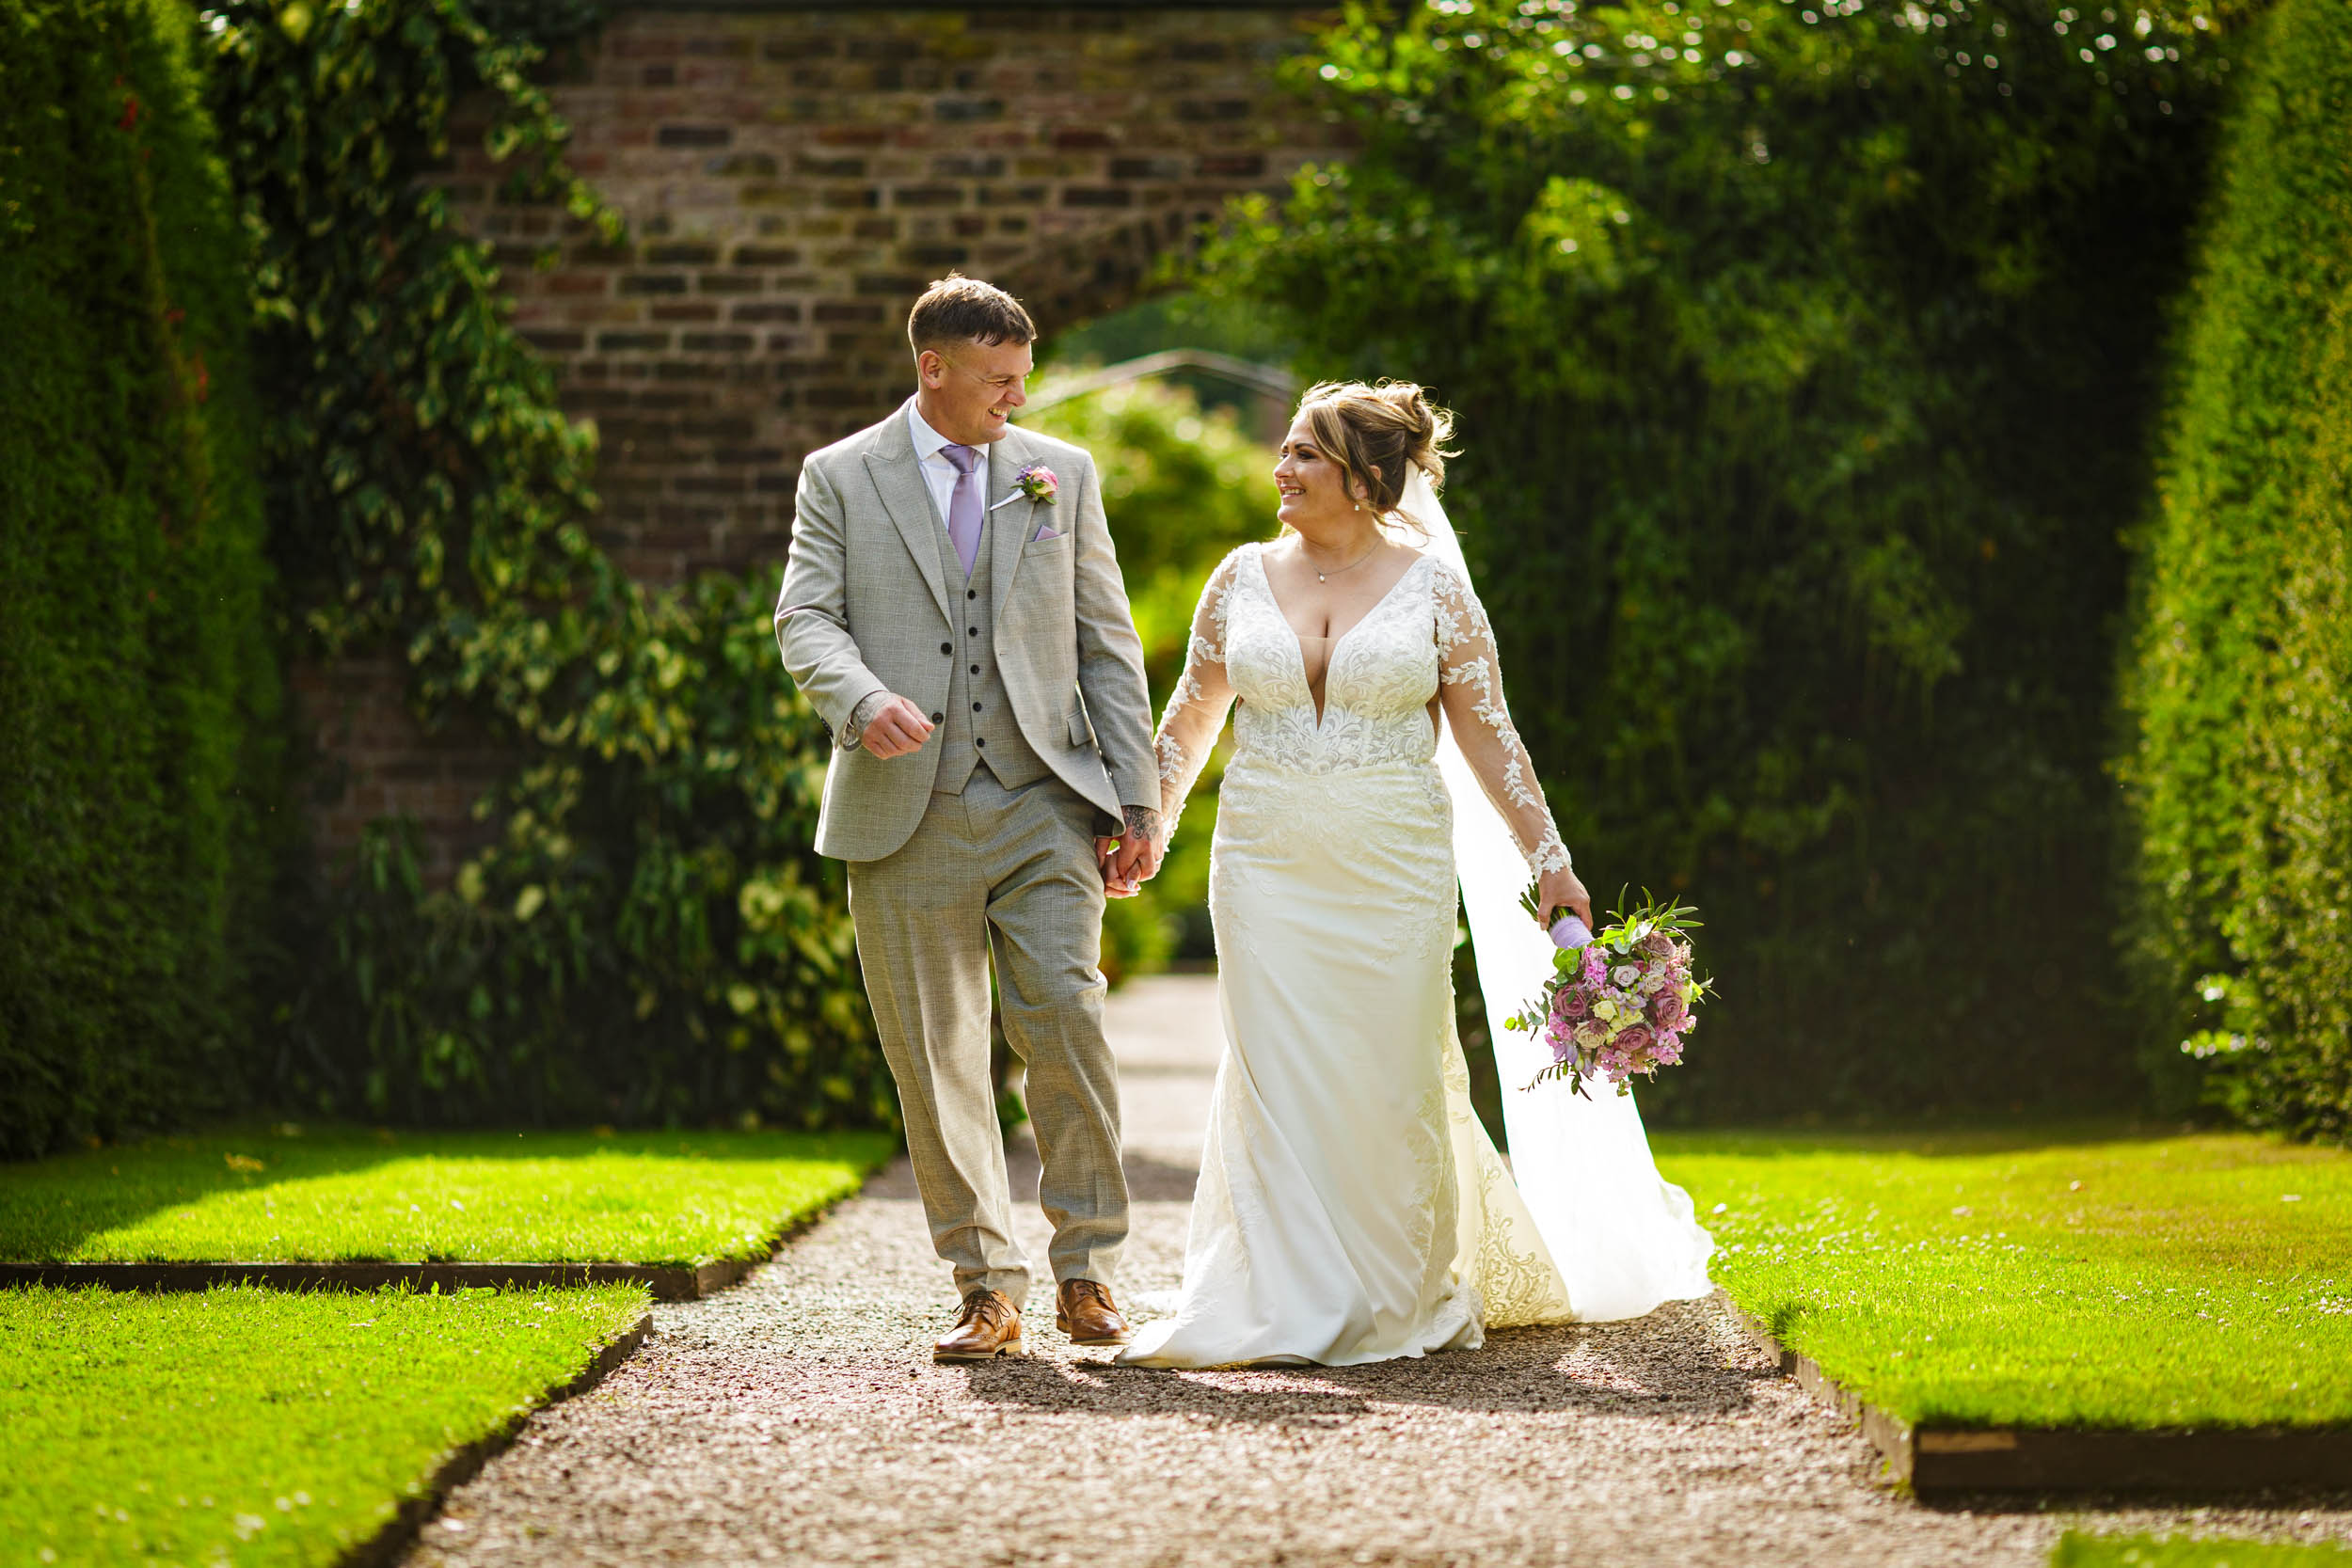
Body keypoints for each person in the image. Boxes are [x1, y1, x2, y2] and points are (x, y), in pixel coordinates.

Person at [1120, 380, 1715, 1369]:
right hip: (1263, 862)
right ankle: (1278, 1287)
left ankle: (1392, 1285)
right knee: (1272, 1070)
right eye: (1288, 450)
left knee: (1388, 1069)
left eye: (1306, 454)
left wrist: (1550, 860)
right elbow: (1186, 719)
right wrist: (1147, 824)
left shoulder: (1434, 588)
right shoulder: (1238, 576)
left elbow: (1491, 736)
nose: (1282, 467)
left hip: (1390, 864)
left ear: (1364, 479)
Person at [774, 275, 1163, 1363]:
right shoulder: (840, 476)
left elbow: (1105, 643)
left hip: (1046, 796)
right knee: (935, 1055)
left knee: (1068, 1026)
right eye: (996, 379)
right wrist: (861, 698)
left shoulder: (1061, 475)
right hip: (905, 811)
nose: (1014, 398)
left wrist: (1133, 798)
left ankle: (1087, 1268)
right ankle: (986, 1283)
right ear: (930, 367)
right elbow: (804, 615)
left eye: (1021, 379)